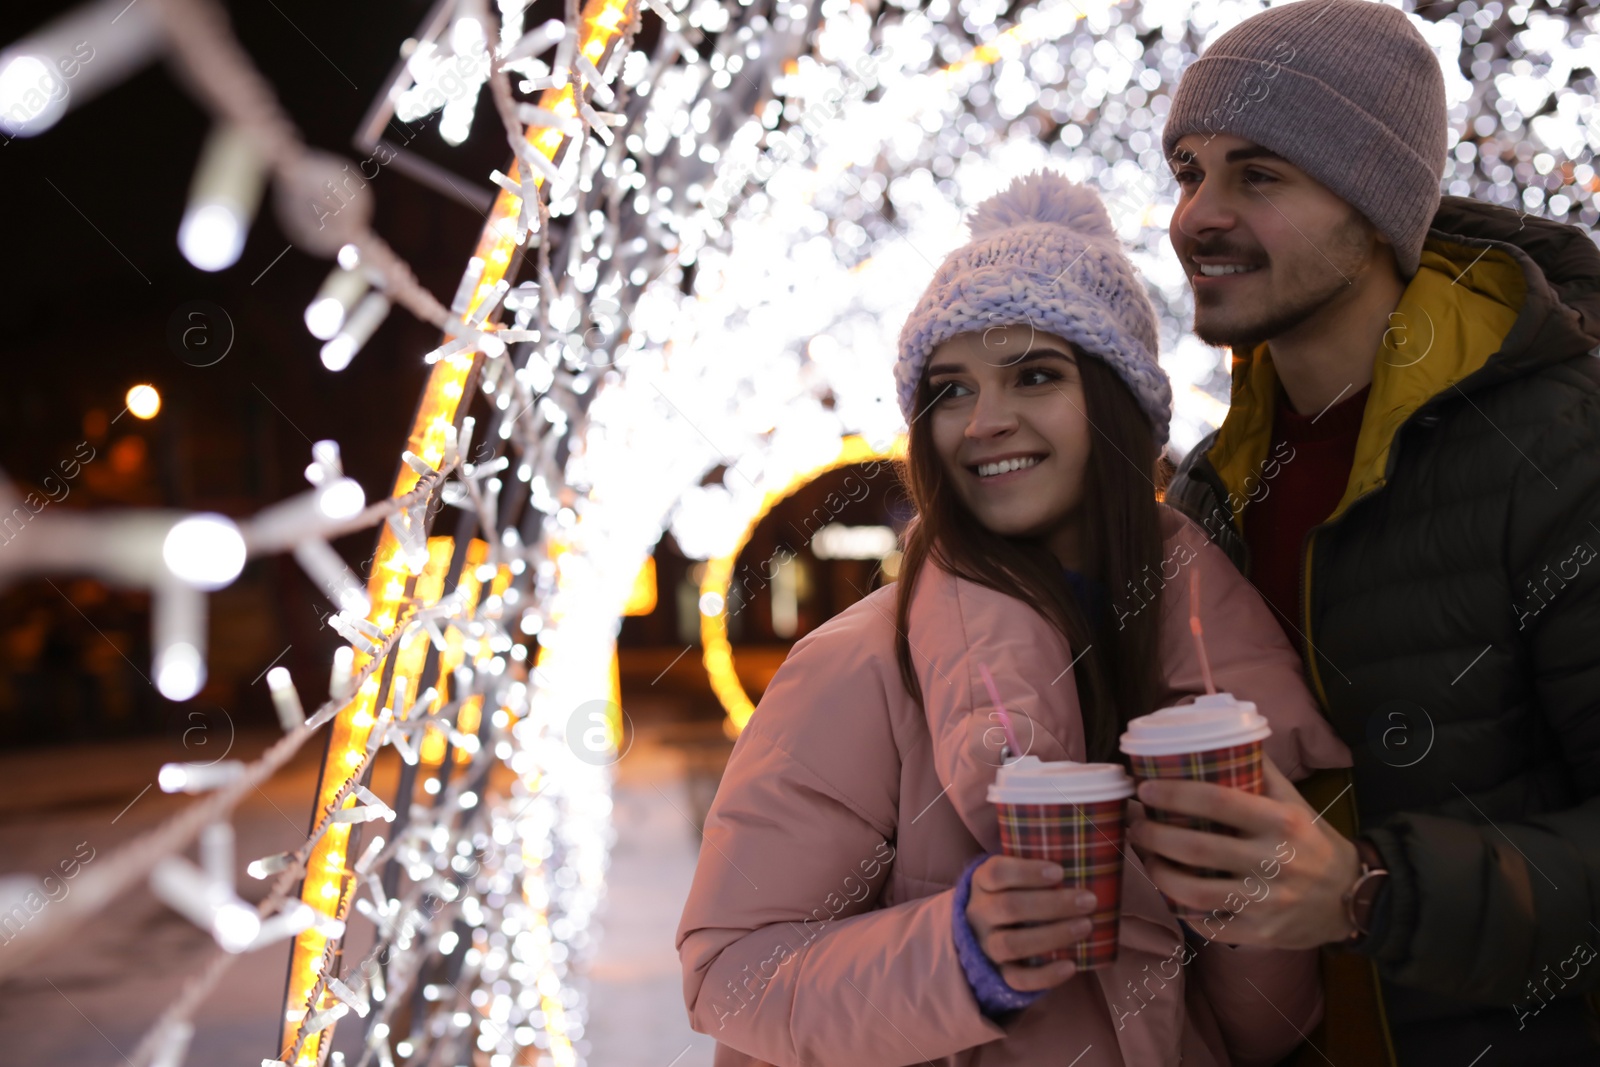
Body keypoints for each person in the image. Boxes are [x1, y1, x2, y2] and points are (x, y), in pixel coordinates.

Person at [675, 171, 1352, 1066]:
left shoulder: (1218, 651)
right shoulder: (856, 667)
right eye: (951, 389)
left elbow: (1260, 1030)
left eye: (1033, 374)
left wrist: (1252, 912)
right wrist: (960, 955)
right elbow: (730, 975)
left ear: (1118, 407)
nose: (984, 421)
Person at [1131, 1, 1600, 1064]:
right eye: (1188, 171)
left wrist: (1369, 892)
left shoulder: (1559, 449)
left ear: (1376, 205)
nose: (1197, 215)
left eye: (1259, 174)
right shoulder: (1212, 491)